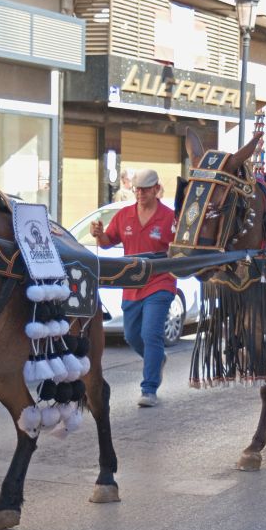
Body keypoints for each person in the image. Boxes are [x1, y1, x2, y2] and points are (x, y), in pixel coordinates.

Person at [90, 169, 176, 407]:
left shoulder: (170, 217)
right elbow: (107, 243)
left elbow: (180, 250)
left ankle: (149, 389)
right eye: (137, 190)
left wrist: (176, 252)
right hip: (131, 285)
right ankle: (156, 358)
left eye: (145, 190)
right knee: (131, 335)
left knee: (150, 334)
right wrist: (99, 234)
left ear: (156, 189)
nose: (140, 194)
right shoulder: (124, 215)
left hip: (160, 283)